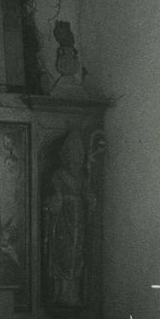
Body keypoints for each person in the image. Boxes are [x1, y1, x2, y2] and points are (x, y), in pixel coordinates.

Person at [43, 131, 95, 308]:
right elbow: (52, 198)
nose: (75, 159)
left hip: (79, 221)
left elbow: (88, 195)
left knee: (77, 254)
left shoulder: (83, 176)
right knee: (64, 254)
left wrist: (89, 200)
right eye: (72, 154)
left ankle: (74, 294)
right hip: (63, 221)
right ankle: (62, 293)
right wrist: (56, 202)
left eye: (78, 154)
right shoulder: (59, 175)